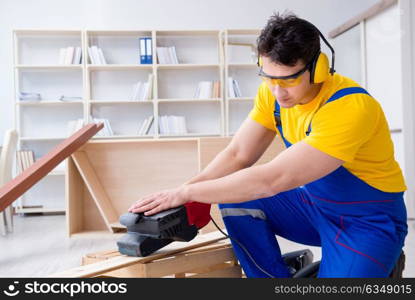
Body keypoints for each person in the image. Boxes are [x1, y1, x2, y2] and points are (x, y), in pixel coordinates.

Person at [129, 13, 408, 278]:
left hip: (366, 222)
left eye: (288, 80)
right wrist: (189, 195)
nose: (277, 91)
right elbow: (238, 154)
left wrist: (189, 191)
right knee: (236, 197)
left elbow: (273, 179)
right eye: (268, 78)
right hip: (314, 206)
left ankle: (384, 261)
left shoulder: (350, 107)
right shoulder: (272, 94)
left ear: (318, 68)